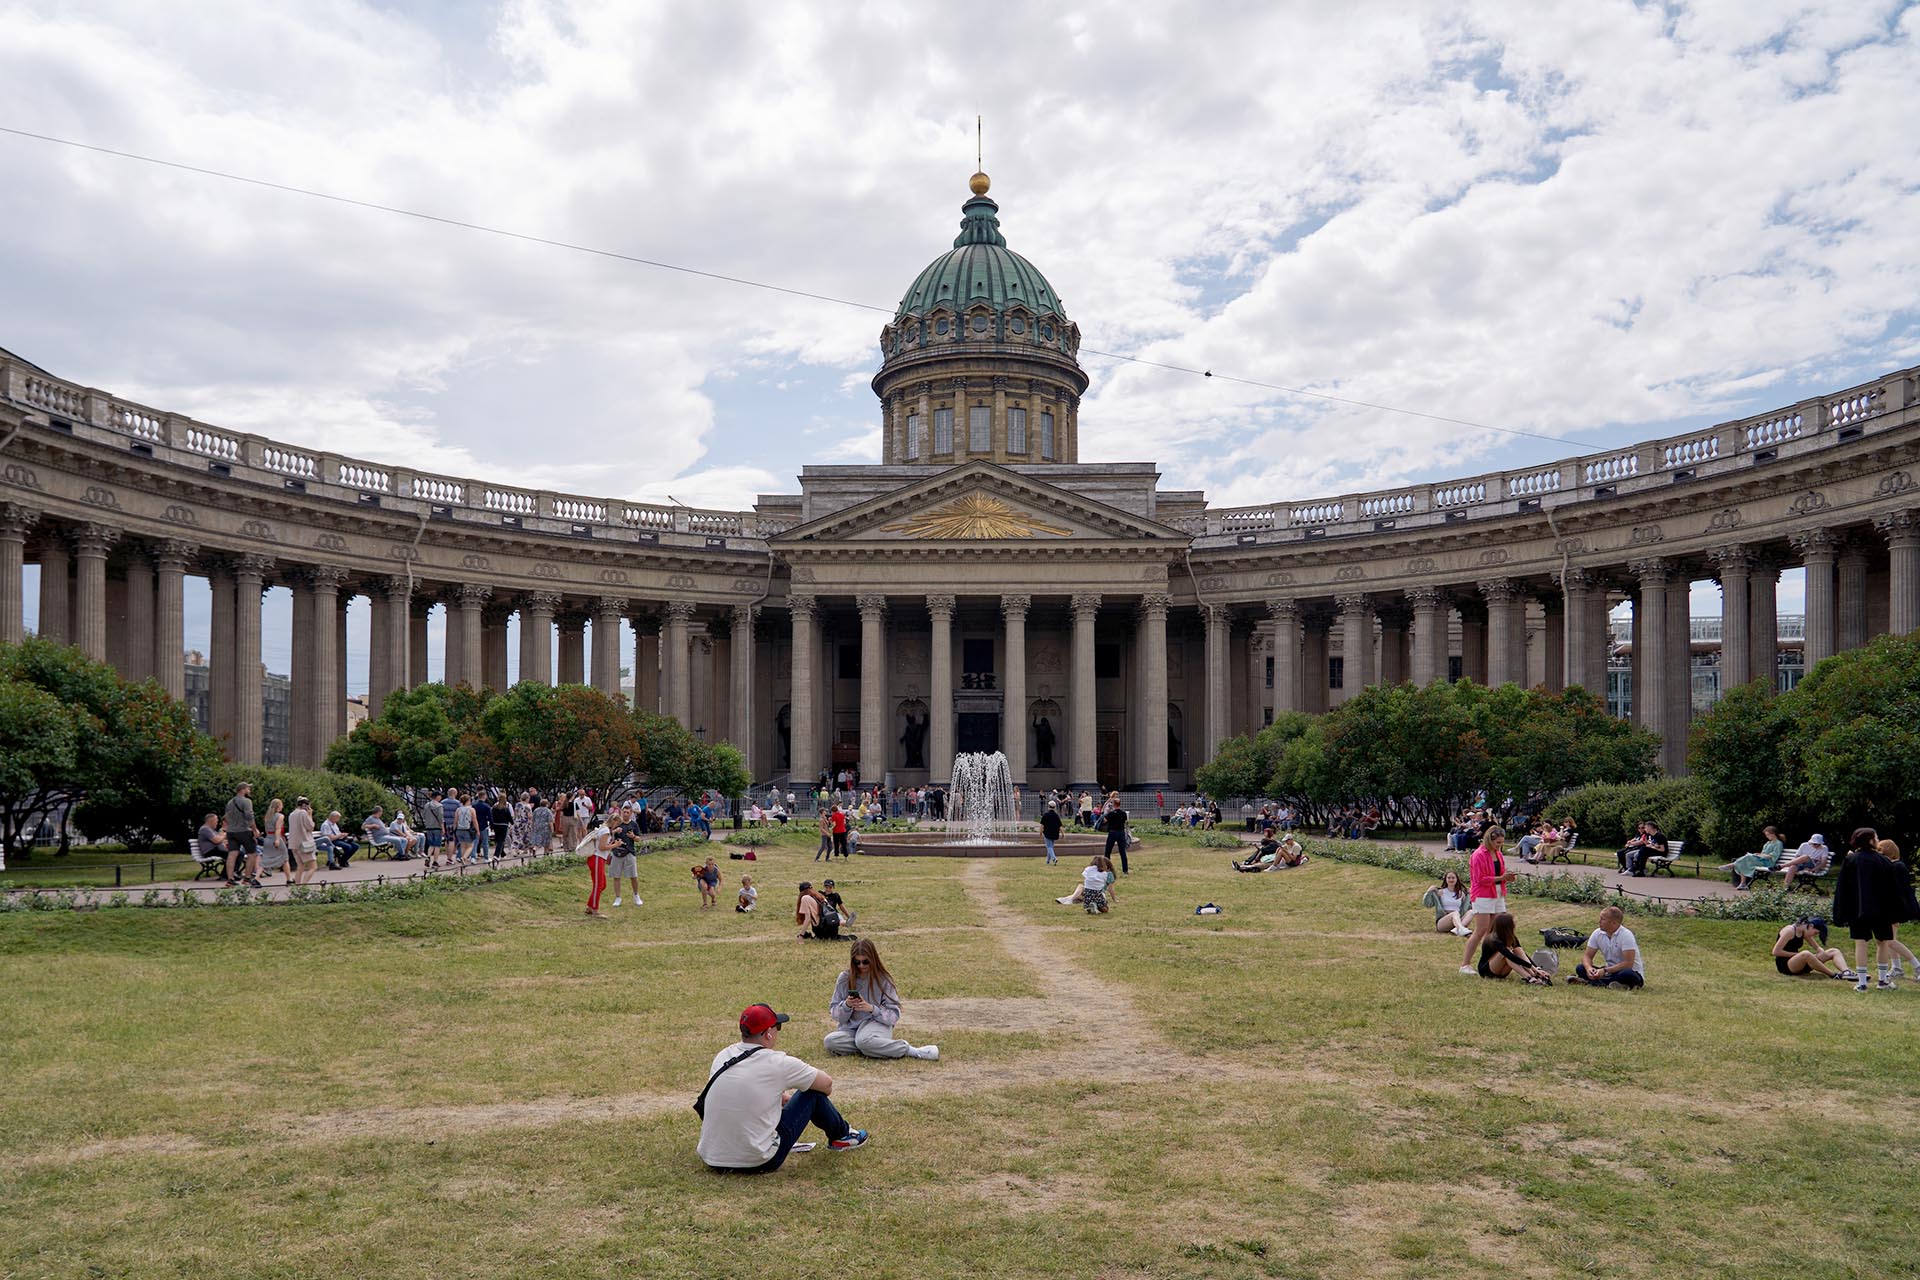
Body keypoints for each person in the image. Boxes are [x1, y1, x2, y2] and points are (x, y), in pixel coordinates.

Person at [697, 1003, 867, 1172]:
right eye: (777, 1027)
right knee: (812, 1093)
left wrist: (777, 1097)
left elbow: (740, 1094)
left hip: (712, 1157)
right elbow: (826, 1084)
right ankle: (841, 1135)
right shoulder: (778, 1062)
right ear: (768, 1033)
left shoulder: (723, 1055)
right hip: (759, 1161)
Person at [1832, 829, 1920, 991]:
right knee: (1883, 943)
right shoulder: (1882, 861)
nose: (1877, 839)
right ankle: (1882, 981)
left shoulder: (1851, 860)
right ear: (1870, 840)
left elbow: (1843, 887)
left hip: (1858, 909)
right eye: (1876, 837)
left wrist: (1841, 910)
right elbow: (1892, 889)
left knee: (1860, 943)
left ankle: (1862, 983)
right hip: (1881, 910)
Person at [825, 940, 939, 1061]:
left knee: (863, 1040)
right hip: (852, 1029)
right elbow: (835, 1012)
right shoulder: (844, 978)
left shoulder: (883, 980)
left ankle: (911, 1050)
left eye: (866, 962)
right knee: (831, 1042)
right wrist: (847, 1005)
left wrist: (872, 1009)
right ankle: (874, 1047)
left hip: (877, 1025)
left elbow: (893, 1015)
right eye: (857, 962)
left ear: (873, 959)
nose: (861, 966)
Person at [1460, 825, 1514, 976]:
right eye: (1498, 843)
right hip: (1483, 894)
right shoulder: (1478, 855)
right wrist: (1501, 878)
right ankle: (1465, 964)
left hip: (1498, 893)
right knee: (1481, 930)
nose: (1500, 845)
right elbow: (1480, 879)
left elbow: (1500, 872)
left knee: (1495, 931)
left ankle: (1490, 961)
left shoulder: (1498, 854)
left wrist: (1507, 877)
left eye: (1501, 843)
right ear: (1490, 840)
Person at [1567, 906, 1645, 988]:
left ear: (1613, 923)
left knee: (1627, 974)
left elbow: (1628, 963)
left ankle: (1592, 982)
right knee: (1580, 968)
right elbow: (1587, 956)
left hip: (1627, 972)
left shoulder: (1626, 935)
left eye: (1603, 919)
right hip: (1609, 972)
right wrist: (1589, 968)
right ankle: (1612, 984)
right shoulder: (1597, 933)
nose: (1599, 921)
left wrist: (1605, 971)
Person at [1477, 912, 1553, 983]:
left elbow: (1522, 954)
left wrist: (1537, 969)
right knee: (1507, 953)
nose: (1515, 924)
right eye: (1513, 922)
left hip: (1502, 972)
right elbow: (1511, 957)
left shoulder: (1510, 937)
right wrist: (1533, 968)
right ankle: (1528, 977)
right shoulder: (1493, 939)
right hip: (1487, 971)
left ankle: (1534, 975)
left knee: (1518, 950)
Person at [1770, 916, 1854, 979]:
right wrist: (1797, 954)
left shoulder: (1804, 931)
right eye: (1815, 933)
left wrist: (1821, 952)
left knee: (1834, 951)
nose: (1814, 935)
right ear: (1810, 926)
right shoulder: (1790, 931)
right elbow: (1776, 952)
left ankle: (1846, 972)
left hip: (1801, 963)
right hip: (1786, 966)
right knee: (1806, 954)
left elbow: (1817, 947)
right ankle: (1833, 975)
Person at [222, 780, 258, 887]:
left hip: (231, 831)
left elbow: (227, 817)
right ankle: (247, 878)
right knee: (252, 854)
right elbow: (249, 817)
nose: (249, 790)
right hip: (244, 831)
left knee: (232, 854)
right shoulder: (246, 801)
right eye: (248, 788)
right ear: (242, 789)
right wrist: (255, 830)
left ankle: (230, 879)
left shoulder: (230, 802)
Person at [607, 803, 642, 908]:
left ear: (631, 813)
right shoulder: (617, 823)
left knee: (633, 876)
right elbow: (609, 837)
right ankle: (618, 897)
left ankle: (636, 895)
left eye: (628, 812)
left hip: (629, 852)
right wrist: (614, 831)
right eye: (624, 812)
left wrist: (633, 836)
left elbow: (639, 839)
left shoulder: (634, 824)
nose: (625, 814)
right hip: (617, 852)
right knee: (616, 876)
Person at [1423, 869, 1472, 936]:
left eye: (1453, 878)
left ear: (1457, 879)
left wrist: (1471, 895)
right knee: (1454, 913)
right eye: (1449, 878)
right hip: (1443, 922)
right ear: (1446, 879)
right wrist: (1428, 891)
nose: (1451, 880)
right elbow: (1427, 904)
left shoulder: (1461, 893)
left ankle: (1457, 929)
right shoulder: (1440, 892)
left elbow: (1469, 907)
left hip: (1458, 919)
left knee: (1471, 912)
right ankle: (1460, 929)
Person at [582, 815, 612, 918]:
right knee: (599, 885)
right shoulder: (605, 831)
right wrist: (615, 845)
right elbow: (602, 847)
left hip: (599, 858)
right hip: (597, 858)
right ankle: (595, 909)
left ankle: (590, 906)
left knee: (602, 885)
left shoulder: (604, 829)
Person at [257, 797, 290, 884]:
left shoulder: (267, 816)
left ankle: (256, 878)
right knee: (285, 858)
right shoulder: (280, 816)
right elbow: (278, 829)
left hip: (268, 838)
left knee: (265, 859)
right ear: (278, 806)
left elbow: (267, 829)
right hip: (276, 838)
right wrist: (277, 840)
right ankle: (289, 879)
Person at [288, 796, 318, 887]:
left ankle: (297, 886)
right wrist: (310, 815)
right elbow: (310, 826)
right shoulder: (303, 813)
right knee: (313, 867)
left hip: (294, 844)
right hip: (304, 843)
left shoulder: (292, 814)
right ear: (305, 805)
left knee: (300, 866)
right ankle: (304, 886)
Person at [1103, 798, 1130, 874]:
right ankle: (1125, 870)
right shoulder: (1123, 813)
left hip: (1112, 832)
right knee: (1122, 852)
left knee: (1108, 851)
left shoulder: (1111, 813)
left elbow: (1104, 820)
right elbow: (1125, 821)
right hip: (1121, 832)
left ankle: (1107, 868)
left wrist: (1107, 813)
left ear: (1114, 804)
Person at [419, 789, 444, 863]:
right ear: (437, 797)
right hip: (437, 827)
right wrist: (443, 828)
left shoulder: (427, 805)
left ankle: (428, 856)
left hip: (429, 827)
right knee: (437, 845)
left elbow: (423, 815)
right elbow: (441, 818)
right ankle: (435, 861)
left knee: (431, 844)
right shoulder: (439, 806)